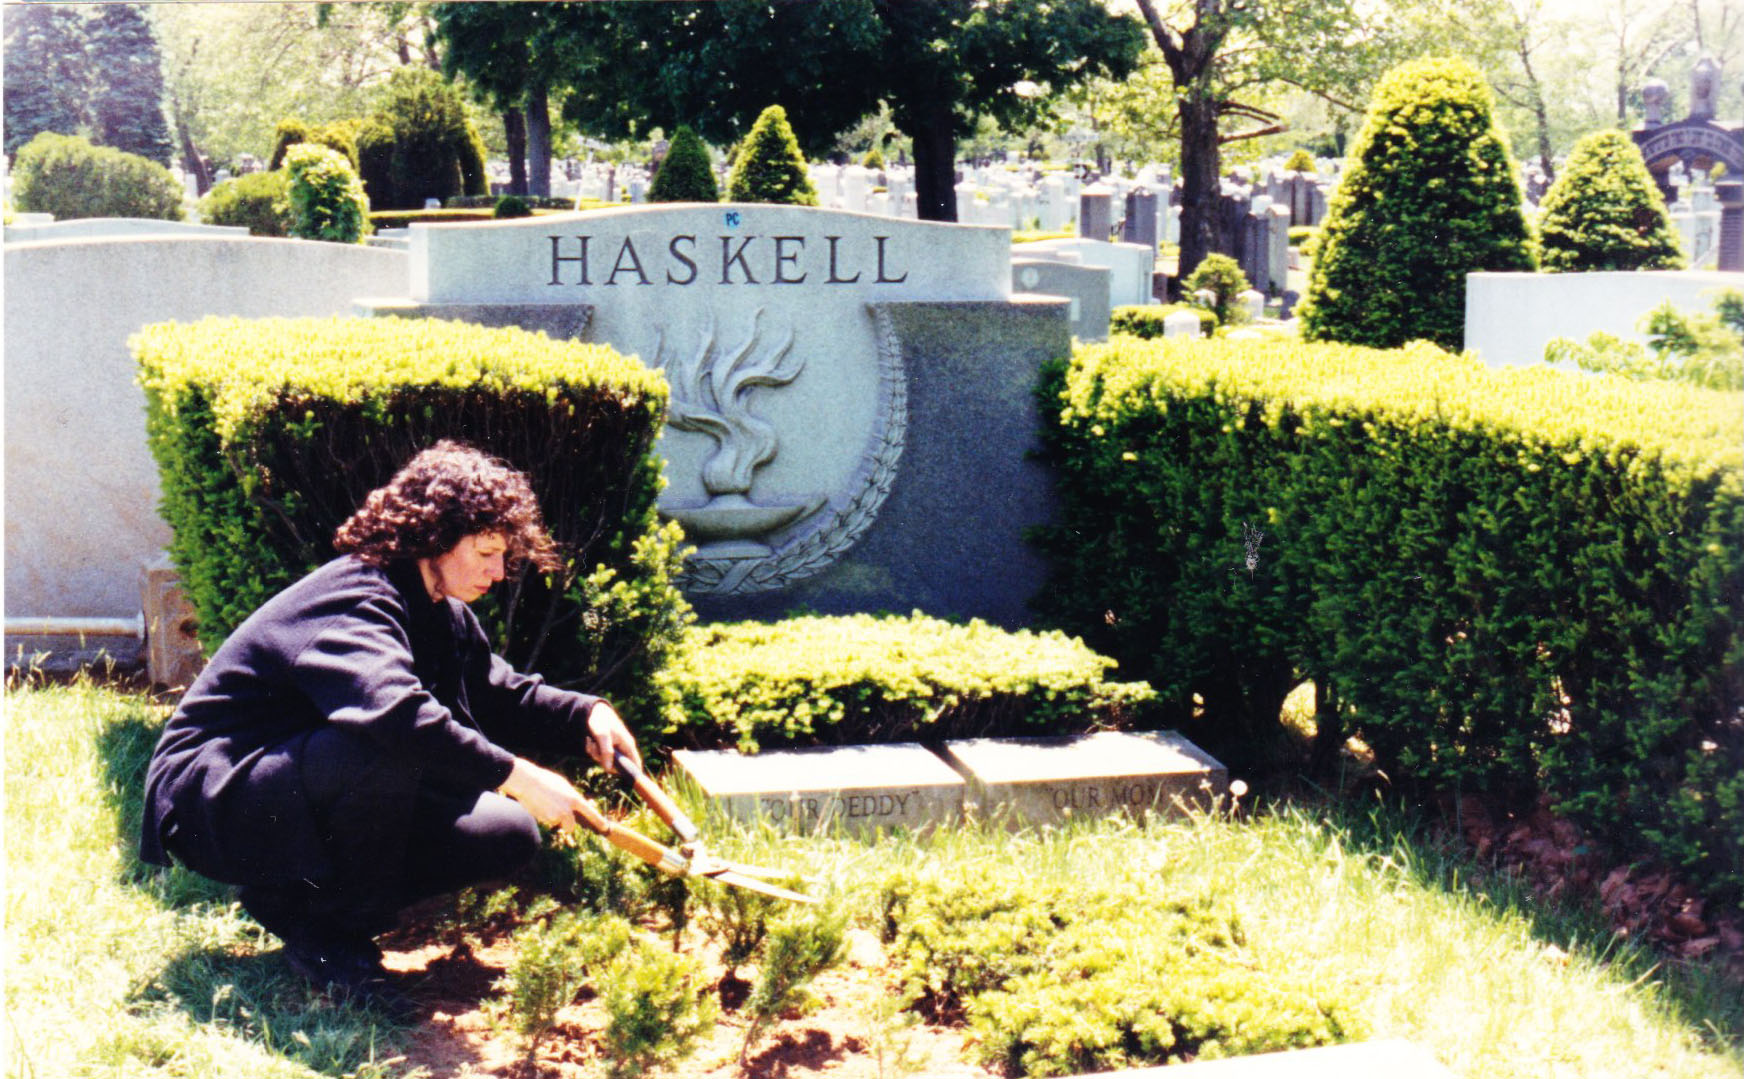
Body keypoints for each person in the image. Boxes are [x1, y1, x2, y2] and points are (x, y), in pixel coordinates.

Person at [139, 440, 642, 1012]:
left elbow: (495, 691)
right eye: (485, 552)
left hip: (289, 780)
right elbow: (396, 716)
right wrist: (518, 775)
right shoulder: (357, 597)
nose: (499, 572)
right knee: (388, 747)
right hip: (214, 796)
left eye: (503, 555)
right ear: (435, 535)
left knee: (506, 832)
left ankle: (303, 905)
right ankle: (332, 937)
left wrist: (584, 714)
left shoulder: (437, 609)